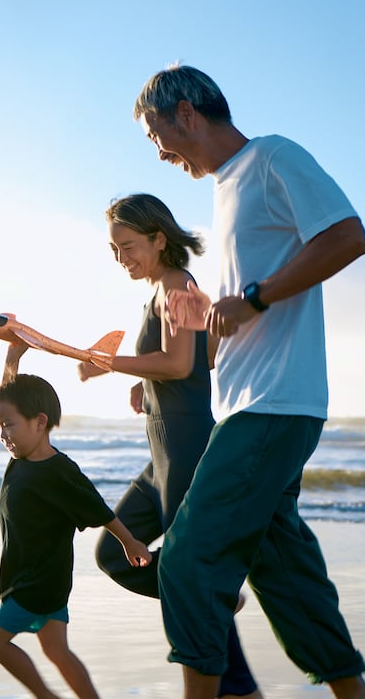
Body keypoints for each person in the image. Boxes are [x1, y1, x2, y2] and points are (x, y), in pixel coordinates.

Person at [133, 64, 365, 699]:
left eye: (157, 135)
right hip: (244, 401)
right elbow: (242, 305)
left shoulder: (272, 157)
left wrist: (254, 298)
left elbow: (349, 237)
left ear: (187, 113)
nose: (159, 153)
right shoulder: (224, 190)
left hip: (274, 405)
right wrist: (209, 319)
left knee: (187, 559)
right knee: (284, 573)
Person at [75, 192, 261, 699]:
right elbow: (201, 356)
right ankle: (214, 603)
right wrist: (144, 383)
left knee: (190, 573)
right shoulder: (164, 289)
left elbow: (179, 365)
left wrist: (112, 364)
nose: (122, 259)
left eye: (129, 246)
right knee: (115, 553)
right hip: (162, 456)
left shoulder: (176, 283)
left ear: (160, 237)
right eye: (115, 250)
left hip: (186, 448)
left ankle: (236, 680)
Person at [0, 342, 153, 699]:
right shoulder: (23, 457)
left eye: (8, 426)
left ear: (39, 422)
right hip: (43, 576)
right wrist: (13, 359)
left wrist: (130, 541)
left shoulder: (57, 471)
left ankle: (47, 697)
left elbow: (98, 507)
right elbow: (9, 398)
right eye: (0, 426)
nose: (3, 435)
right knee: (56, 649)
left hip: (37, 581)